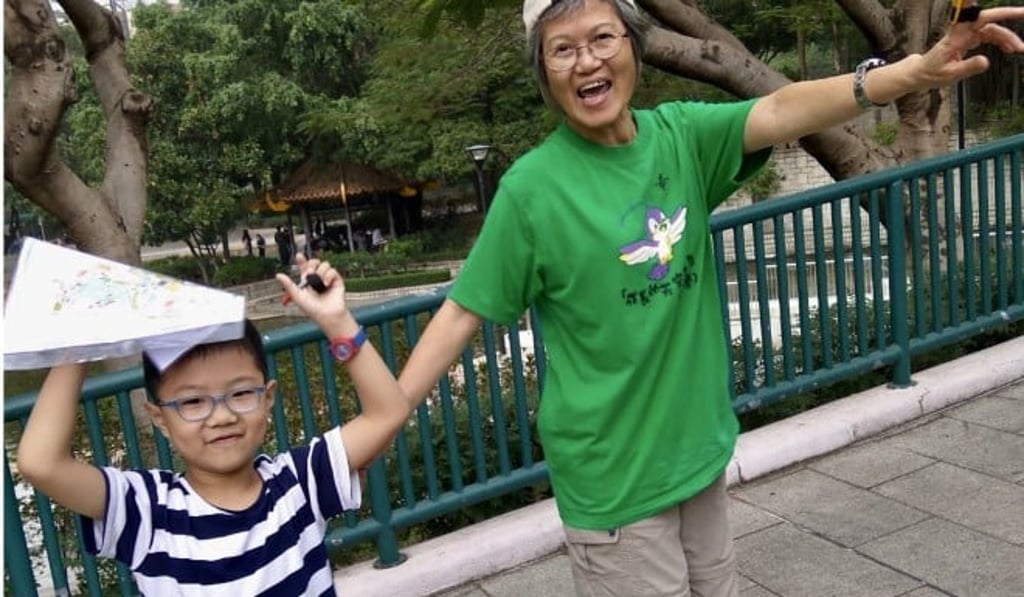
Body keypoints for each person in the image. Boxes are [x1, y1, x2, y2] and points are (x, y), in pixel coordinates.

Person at [395, 1, 1024, 596]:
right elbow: (462, 311)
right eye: (562, 50)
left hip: (697, 458)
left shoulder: (680, 137)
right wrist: (382, 422)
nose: (586, 61)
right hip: (615, 485)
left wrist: (908, 72)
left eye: (602, 38)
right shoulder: (531, 190)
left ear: (633, 46)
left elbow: (781, 110)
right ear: (543, 72)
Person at [17, 256, 411, 595]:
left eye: (240, 394)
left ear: (268, 397)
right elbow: (40, 462)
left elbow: (387, 413)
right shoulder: (148, 512)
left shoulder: (299, 482)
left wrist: (336, 319)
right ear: (160, 419)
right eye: (192, 402)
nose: (221, 416)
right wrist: (80, 343)